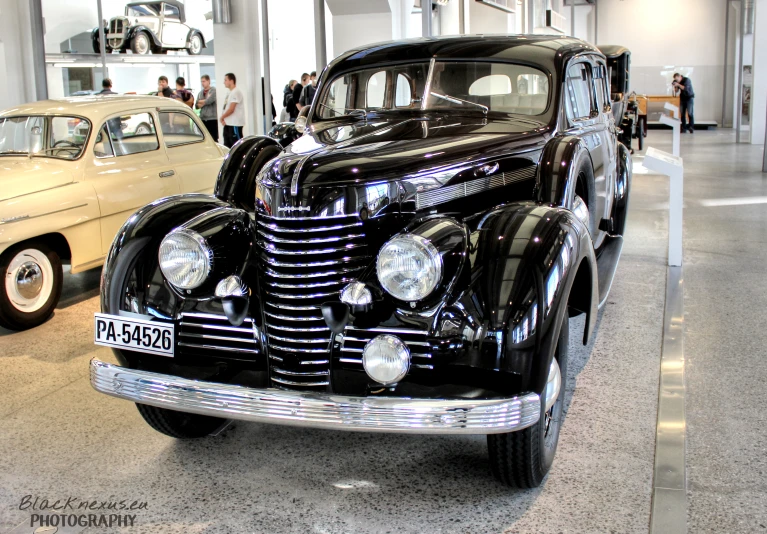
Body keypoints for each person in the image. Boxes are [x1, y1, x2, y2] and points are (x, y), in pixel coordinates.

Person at [220, 72, 245, 148]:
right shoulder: (229, 92)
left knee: (237, 146)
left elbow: (231, 109)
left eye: (225, 80)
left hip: (235, 124)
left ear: (231, 81)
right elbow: (226, 107)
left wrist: (222, 117)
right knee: (227, 145)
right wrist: (224, 118)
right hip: (228, 123)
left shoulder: (236, 92)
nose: (224, 82)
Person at [196, 74, 218, 140]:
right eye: (201, 82)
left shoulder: (213, 90)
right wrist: (204, 101)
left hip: (212, 119)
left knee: (213, 138)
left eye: (204, 81)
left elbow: (209, 101)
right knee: (204, 138)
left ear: (208, 81)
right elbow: (197, 105)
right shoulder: (200, 93)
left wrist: (202, 102)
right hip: (203, 118)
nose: (202, 83)